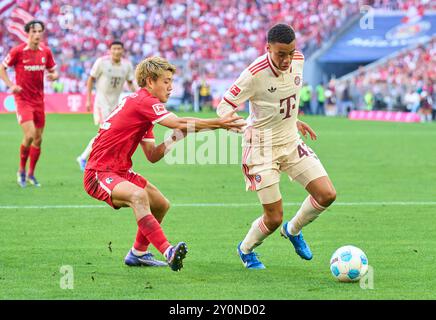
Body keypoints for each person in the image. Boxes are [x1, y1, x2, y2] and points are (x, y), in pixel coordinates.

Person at [83, 56, 245, 271]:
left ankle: (138, 254)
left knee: (160, 204)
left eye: (171, 81)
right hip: (99, 172)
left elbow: (152, 155)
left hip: (120, 170)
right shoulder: (143, 102)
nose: (170, 88)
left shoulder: (144, 110)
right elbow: (176, 122)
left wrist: (177, 136)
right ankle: (168, 251)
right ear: (150, 82)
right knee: (138, 196)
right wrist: (219, 123)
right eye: (166, 81)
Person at [216, 24, 336, 269]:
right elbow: (224, 108)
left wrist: (295, 120)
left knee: (326, 195)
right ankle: (246, 249)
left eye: (291, 52)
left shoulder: (299, 60)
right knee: (273, 217)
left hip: (291, 142)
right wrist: (244, 127)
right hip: (261, 149)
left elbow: (281, 102)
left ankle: (292, 230)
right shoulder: (253, 74)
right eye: (281, 54)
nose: (287, 59)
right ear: (267, 48)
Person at [0, 20, 59, 187]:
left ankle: (31, 173)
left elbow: (53, 71)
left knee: (38, 139)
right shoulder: (17, 51)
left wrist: (54, 76)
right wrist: (11, 85)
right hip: (22, 100)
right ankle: (21, 170)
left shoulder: (45, 52)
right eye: (34, 31)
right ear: (28, 33)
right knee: (30, 134)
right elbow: (2, 68)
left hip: (39, 101)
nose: (37, 34)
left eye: (40, 31)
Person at [76, 41, 136, 171]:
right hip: (101, 103)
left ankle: (85, 157)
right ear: (109, 50)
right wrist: (88, 100)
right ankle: (100, 160)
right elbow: (91, 79)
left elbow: (131, 82)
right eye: (114, 49)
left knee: (111, 133)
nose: (116, 51)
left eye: (119, 49)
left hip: (116, 104)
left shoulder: (126, 65)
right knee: (106, 132)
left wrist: (139, 95)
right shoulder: (101, 62)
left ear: (122, 50)